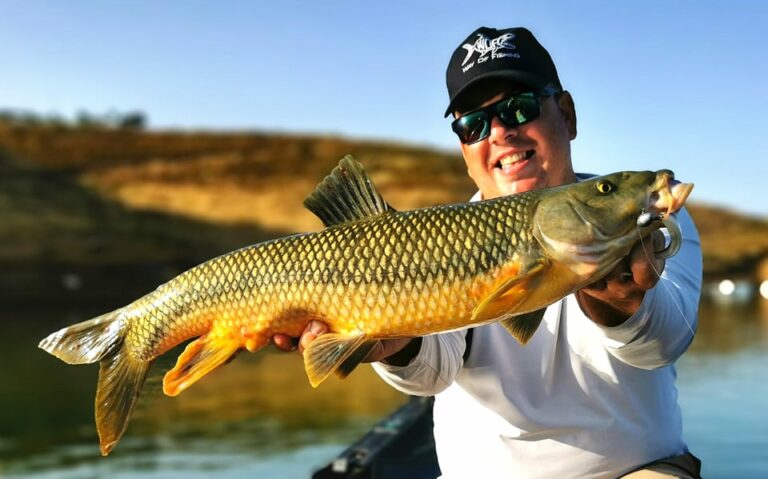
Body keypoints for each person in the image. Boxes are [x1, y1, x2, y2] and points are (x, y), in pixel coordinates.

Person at [274, 26, 703, 479]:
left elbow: (664, 344)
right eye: (474, 124)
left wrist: (623, 300)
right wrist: (398, 348)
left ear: (567, 114)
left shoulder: (650, 222)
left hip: (636, 469)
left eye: (519, 108)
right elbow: (432, 374)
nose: (500, 133)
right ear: (463, 148)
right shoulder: (444, 237)